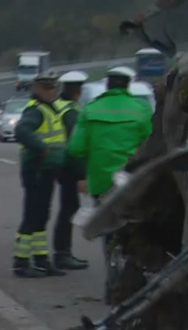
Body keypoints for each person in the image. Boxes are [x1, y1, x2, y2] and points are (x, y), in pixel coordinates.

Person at [68, 66, 153, 301]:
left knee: (109, 232)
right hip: (135, 180)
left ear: (108, 85)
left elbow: (75, 149)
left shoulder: (91, 109)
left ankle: (112, 285)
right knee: (136, 228)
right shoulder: (142, 109)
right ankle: (135, 283)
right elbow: (152, 142)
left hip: (102, 182)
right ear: (128, 85)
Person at [13, 70, 68, 278]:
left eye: (54, 88)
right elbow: (22, 131)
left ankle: (41, 260)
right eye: (46, 88)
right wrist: (41, 148)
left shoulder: (49, 109)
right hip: (36, 169)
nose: (51, 92)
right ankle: (21, 262)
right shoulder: (35, 111)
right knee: (32, 216)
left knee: (42, 216)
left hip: (46, 171)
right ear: (37, 89)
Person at [52, 70, 90, 270]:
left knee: (64, 209)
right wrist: (81, 175)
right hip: (68, 166)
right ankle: (62, 253)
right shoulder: (72, 112)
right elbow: (76, 146)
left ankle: (61, 252)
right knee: (69, 210)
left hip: (55, 163)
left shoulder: (57, 106)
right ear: (79, 91)